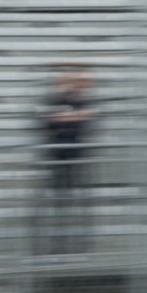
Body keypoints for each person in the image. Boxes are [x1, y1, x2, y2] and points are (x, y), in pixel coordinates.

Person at [37, 69, 96, 251]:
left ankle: (80, 245)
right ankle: (58, 245)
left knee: (78, 202)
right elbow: (43, 122)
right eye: (63, 81)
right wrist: (69, 117)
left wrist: (62, 118)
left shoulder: (82, 101)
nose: (67, 85)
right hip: (56, 158)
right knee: (57, 202)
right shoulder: (51, 101)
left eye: (70, 81)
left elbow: (88, 122)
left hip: (76, 158)